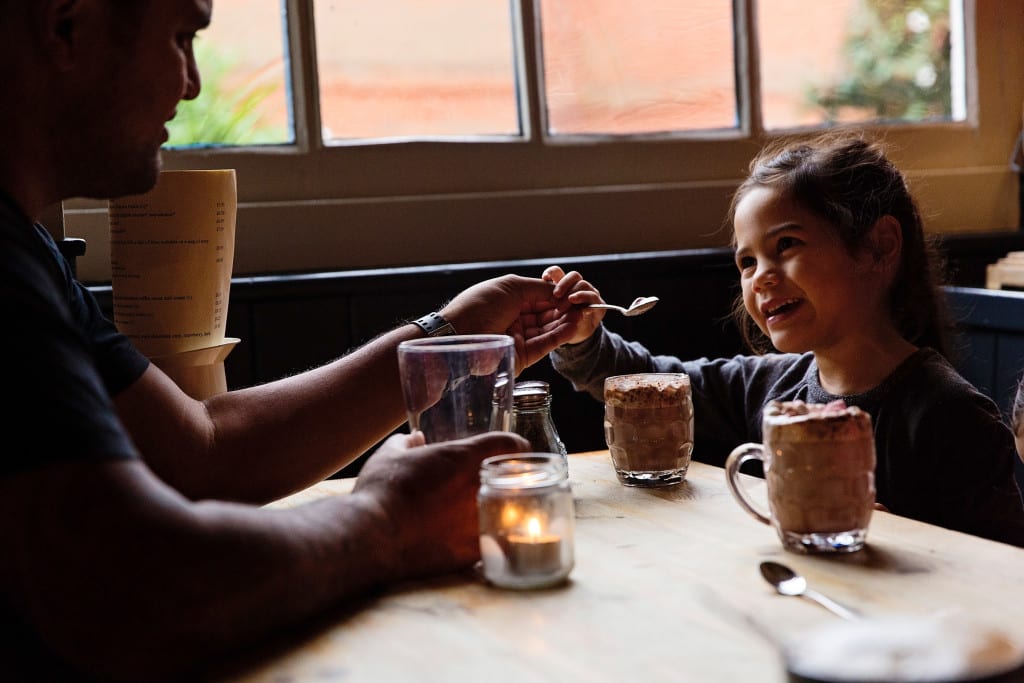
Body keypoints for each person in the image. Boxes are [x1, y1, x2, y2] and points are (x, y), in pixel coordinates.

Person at [0, 0, 579, 679]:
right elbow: (129, 583)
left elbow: (201, 450)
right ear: (66, 26)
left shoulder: (29, 252)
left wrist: (449, 336)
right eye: (181, 36)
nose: (191, 82)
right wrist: (388, 522)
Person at [538, 131, 1024, 547]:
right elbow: (657, 384)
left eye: (786, 245)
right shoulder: (771, 387)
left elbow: (1001, 577)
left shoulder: (953, 419)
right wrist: (583, 338)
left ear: (879, 245)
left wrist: (900, 540)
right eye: (746, 262)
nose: (760, 278)